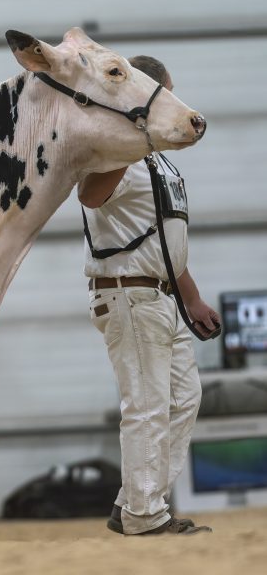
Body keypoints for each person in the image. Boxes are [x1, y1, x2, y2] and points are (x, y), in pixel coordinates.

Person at [79, 55, 220, 535]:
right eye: (169, 92)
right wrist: (133, 141)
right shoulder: (117, 152)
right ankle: (144, 515)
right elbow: (89, 195)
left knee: (183, 398)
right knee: (147, 405)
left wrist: (192, 298)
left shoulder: (159, 162)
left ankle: (135, 501)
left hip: (162, 295)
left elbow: (164, 237)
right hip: (129, 294)